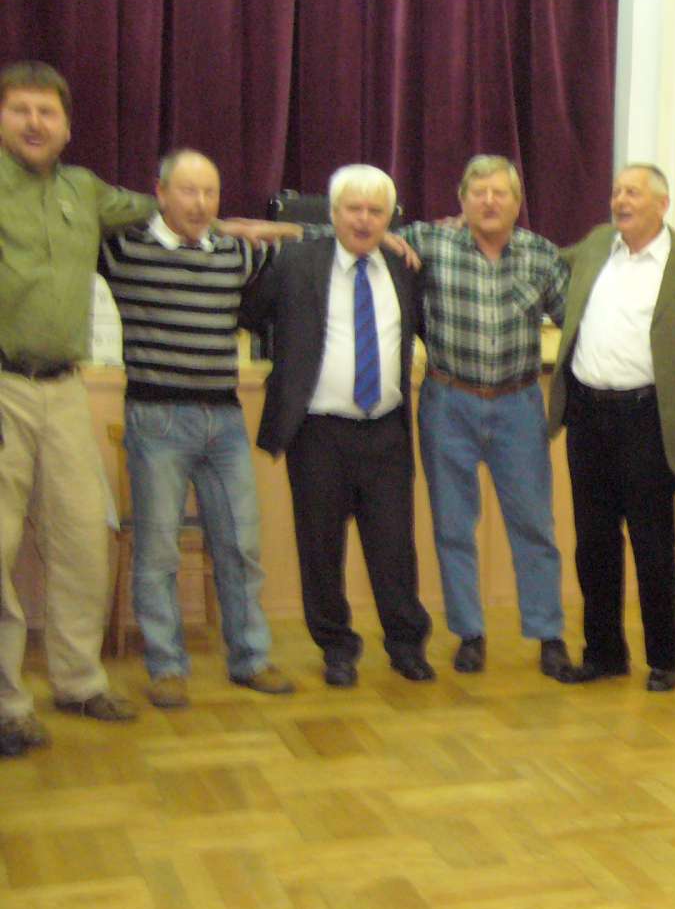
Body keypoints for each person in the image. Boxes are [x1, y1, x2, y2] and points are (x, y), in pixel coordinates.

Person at [100, 149, 297, 708]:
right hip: (155, 419)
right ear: (159, 193)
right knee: (157, 552)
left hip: (225, 421)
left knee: (240, 546)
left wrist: (265, 227)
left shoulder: (234, 253)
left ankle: (250, 658)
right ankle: (166, 667)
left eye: (210, 192)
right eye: (188, 191)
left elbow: (309, 240)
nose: (201, 203)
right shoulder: (121, 250)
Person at [0, 60, 150, 753]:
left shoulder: (84, 190)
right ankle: (6, 706)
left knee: (86, 534)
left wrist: (227, 218)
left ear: (67, 127)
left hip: (63, 388)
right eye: (20, 109)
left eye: (48, 112)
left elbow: (159, 207)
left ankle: (79, 681)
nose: (34, 123)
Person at [239, 165, 432, 687]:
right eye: (353, 208)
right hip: (318, 434)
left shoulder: (405, 267)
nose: (364, 220)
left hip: (387, 432)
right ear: (333, 212)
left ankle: (406, 645)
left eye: (375, 211)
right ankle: (336, 647)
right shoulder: (297, 262)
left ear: (390, 218)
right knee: (320, 548)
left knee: (394, 547)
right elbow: (251, 312)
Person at [545, 164, 675, 692]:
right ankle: (603, 653)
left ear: (662, 204)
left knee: (652, 542)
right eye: (616, 191)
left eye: (633, 193)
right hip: (587, 414)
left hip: (650, 417)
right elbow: (538, 262)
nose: (620, 200)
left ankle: (663, 659)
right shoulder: (596, 245)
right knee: (593, 541)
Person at [402, 155, 569, 677]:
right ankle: (469, 633)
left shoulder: (541, 255)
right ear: (462, 200)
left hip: (519, 405)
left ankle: (548, 634)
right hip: (447, 403)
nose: (490, 201)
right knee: (453, 527)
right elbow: (359, 230)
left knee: (534, 526)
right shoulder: (430, 243)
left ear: (518, 203)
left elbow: (575, 317)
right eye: (479, 192)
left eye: (501, 193)